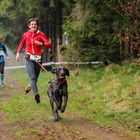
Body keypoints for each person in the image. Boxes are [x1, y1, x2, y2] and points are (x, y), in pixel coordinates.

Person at [16, 18, 51, 103]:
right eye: (32, 24)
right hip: (29, 59)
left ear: (37, 26)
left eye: (35, 24)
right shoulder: (26, 34)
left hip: (38, 59)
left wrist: (41, 44)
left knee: (35, 79)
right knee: (33, 77)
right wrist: (17, 53)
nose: (33, 26)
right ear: (29, 26)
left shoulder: (40, 34)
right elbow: (21, 44)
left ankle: (30, 85)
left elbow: (49, 45)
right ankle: (36, 94)